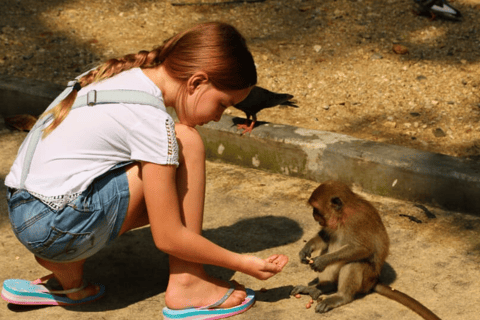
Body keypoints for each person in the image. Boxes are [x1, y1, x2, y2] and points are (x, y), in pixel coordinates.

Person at [2, 21, 288, 319]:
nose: (218, 117)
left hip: (24, 212)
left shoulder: (115, 77)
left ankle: (68, 280)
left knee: (126, 174)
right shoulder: (151, 119)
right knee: (187, 141)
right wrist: (241, 262)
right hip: (57, 226)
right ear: (197, 82)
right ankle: (188, 283)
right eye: (223, 104)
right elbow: (167, 236)